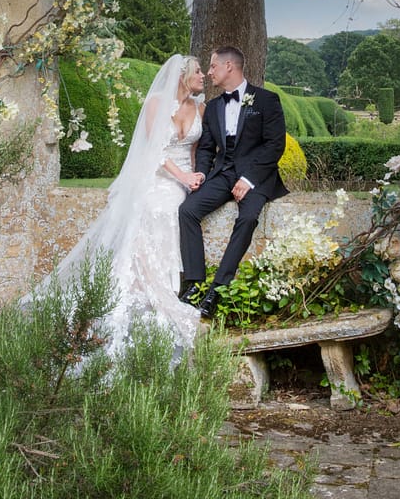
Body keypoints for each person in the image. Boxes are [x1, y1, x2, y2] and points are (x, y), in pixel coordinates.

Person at [25, 54, 206, 357]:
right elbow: (155, 151)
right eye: (198, 71)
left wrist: (196, 177)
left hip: (185, 179)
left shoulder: (200, 107)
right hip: (161, 174)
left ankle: (166, 280)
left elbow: (197, 150)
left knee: (169, 205)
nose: (203, 76)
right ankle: (149, 283)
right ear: (182, 76)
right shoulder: (156, 104)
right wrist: (183, 177)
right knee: (151, 205)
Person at [178, 45, 287, 319]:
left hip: (256, 176)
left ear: (229, 66)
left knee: (248, 217)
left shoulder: (266, 100)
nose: (209, 72)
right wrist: (202, 174)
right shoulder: (214, 107)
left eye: (213, 66)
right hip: (223, 174)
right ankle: (194, 282)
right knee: (188, 210)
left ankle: (218, 288)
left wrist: (249, 179)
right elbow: (206, 148)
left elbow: (275, 145)